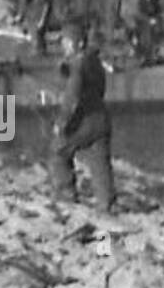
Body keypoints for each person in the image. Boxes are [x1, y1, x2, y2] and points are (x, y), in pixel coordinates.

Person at [49, 22, 115, 212]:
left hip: (84, 120)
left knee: (58, 150)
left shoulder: (77, 65)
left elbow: (72, 97)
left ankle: (66, 195)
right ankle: (105, 202)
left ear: (73, 43)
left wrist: (61, 123)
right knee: (100, 161)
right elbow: (98, 90)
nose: (62, 46)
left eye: (64, 42)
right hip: (102, 118)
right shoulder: (95, 61)